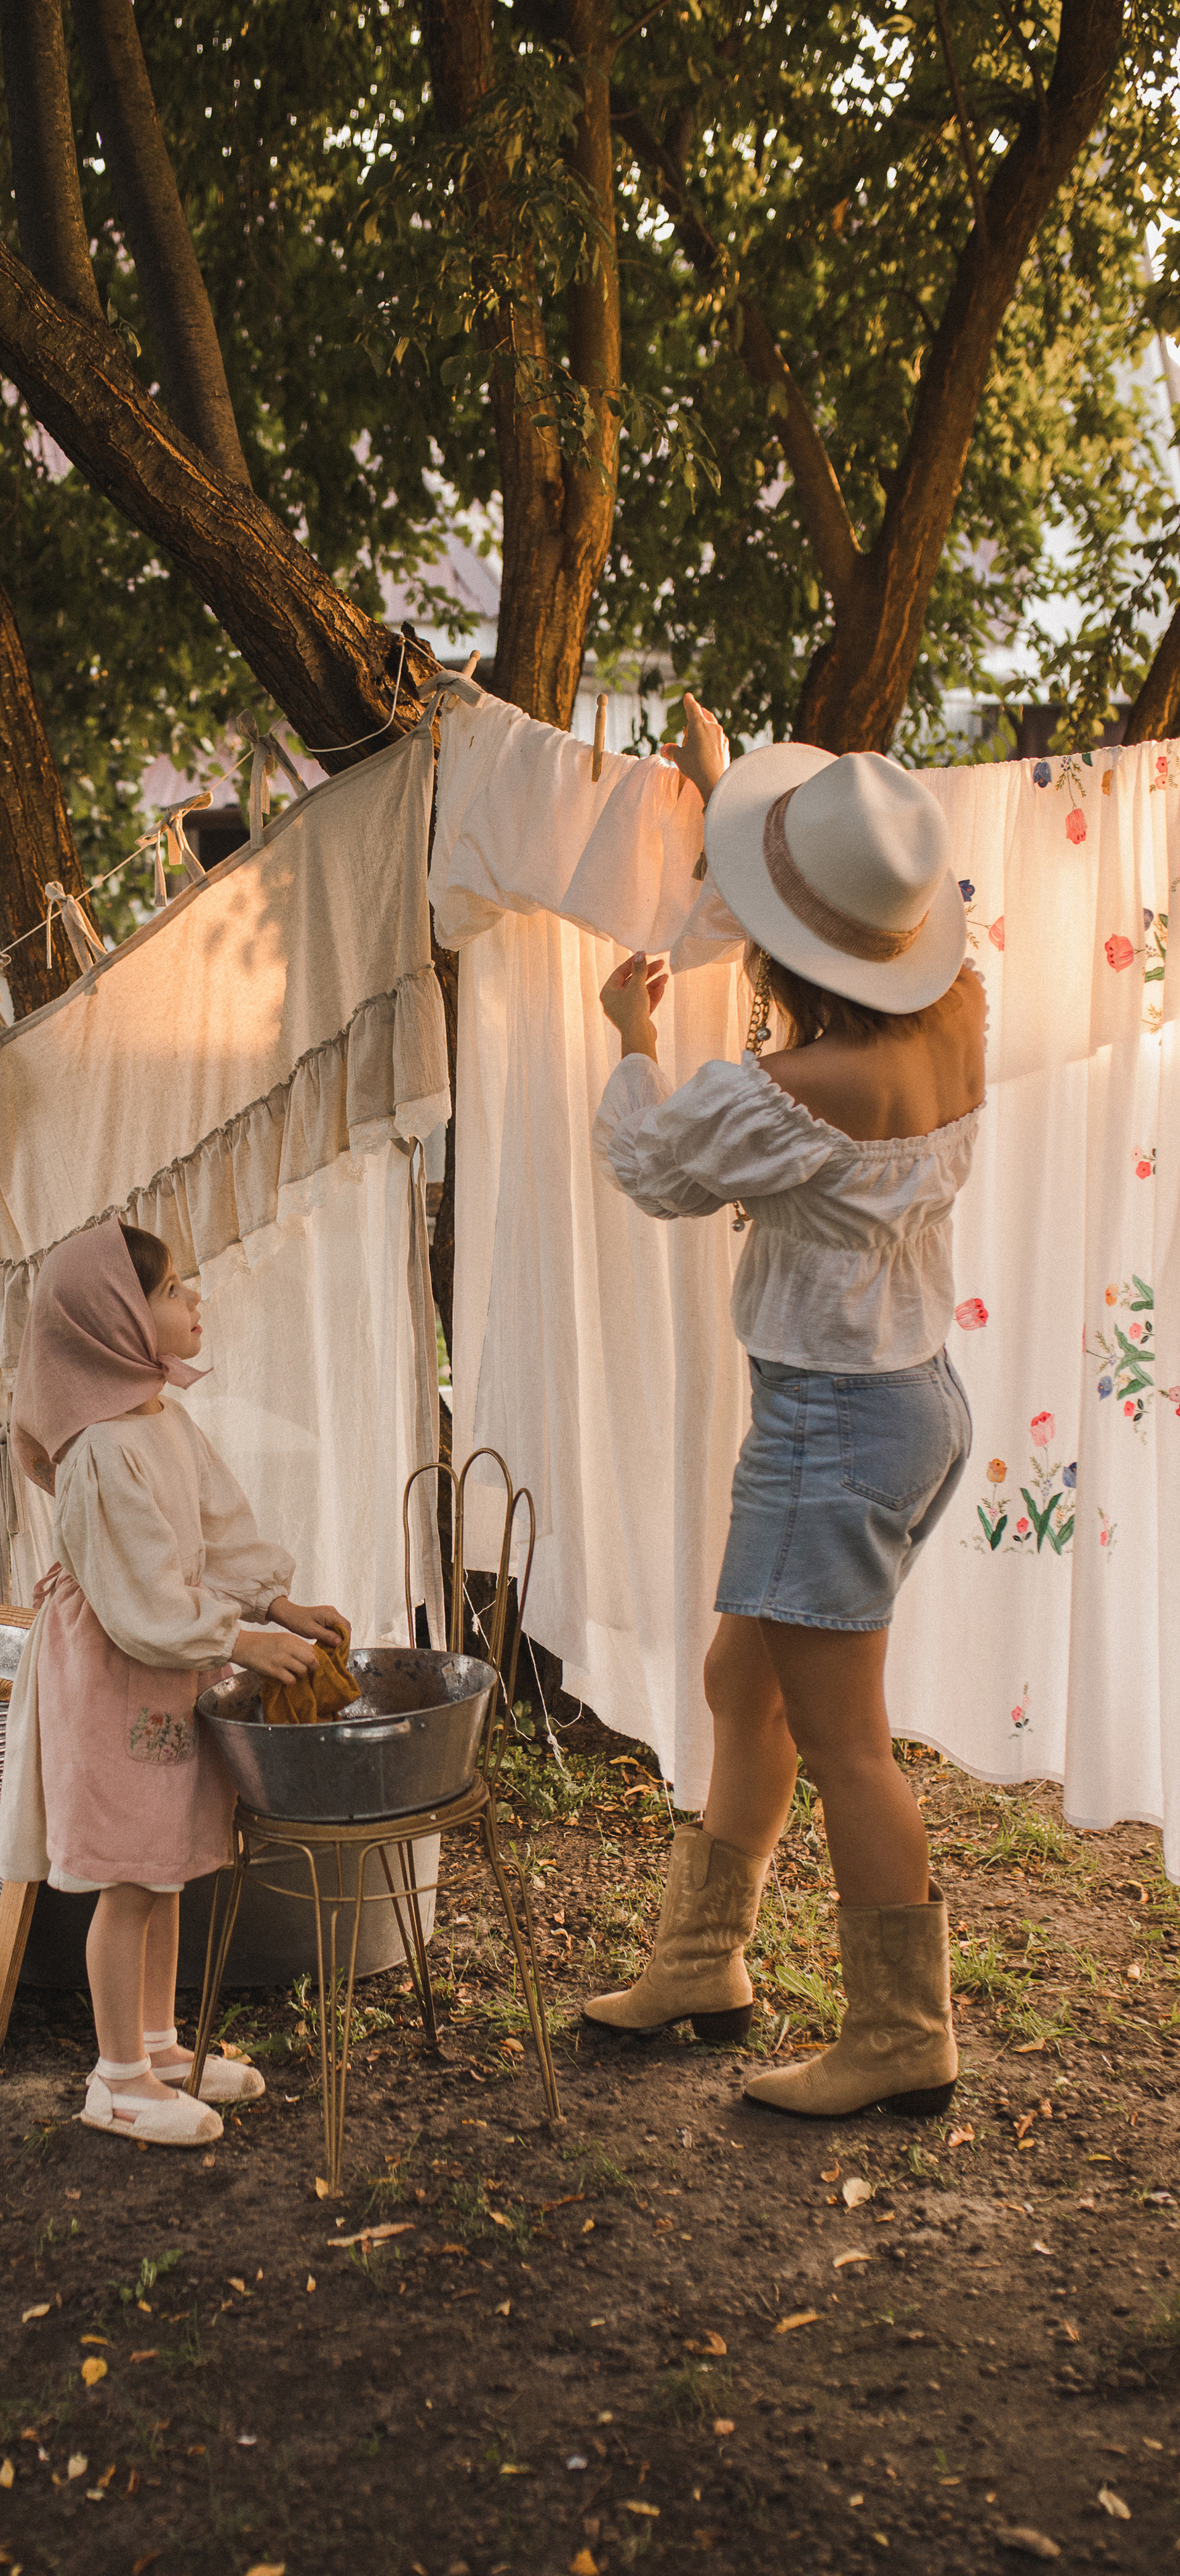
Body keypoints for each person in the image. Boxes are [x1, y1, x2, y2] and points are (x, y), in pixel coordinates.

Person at [584, 698, 984, 2120]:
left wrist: (628, 1034)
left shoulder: (791, 1090)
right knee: (733, 1684)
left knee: (845, 1748)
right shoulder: (953, 1009)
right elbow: (859, 913)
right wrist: (716, 787)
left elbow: (646, 1163)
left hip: (830, 1425)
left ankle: (899, 2035)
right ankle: (704, 1962)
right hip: (906, 1400)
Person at [0, 1218, 346, 2147]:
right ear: (112, 1317)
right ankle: (116, 2079)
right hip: (117, 1674)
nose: (195, 1301)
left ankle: (158, 2044)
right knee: (130, 1875)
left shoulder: (160, 1418)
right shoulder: (102, 1449)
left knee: (171, 1862)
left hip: (169, 1667)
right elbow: (139, 1601)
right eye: (171, 1289)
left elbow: (219, 1530)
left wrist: (281, 1606)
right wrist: (238, 1638)